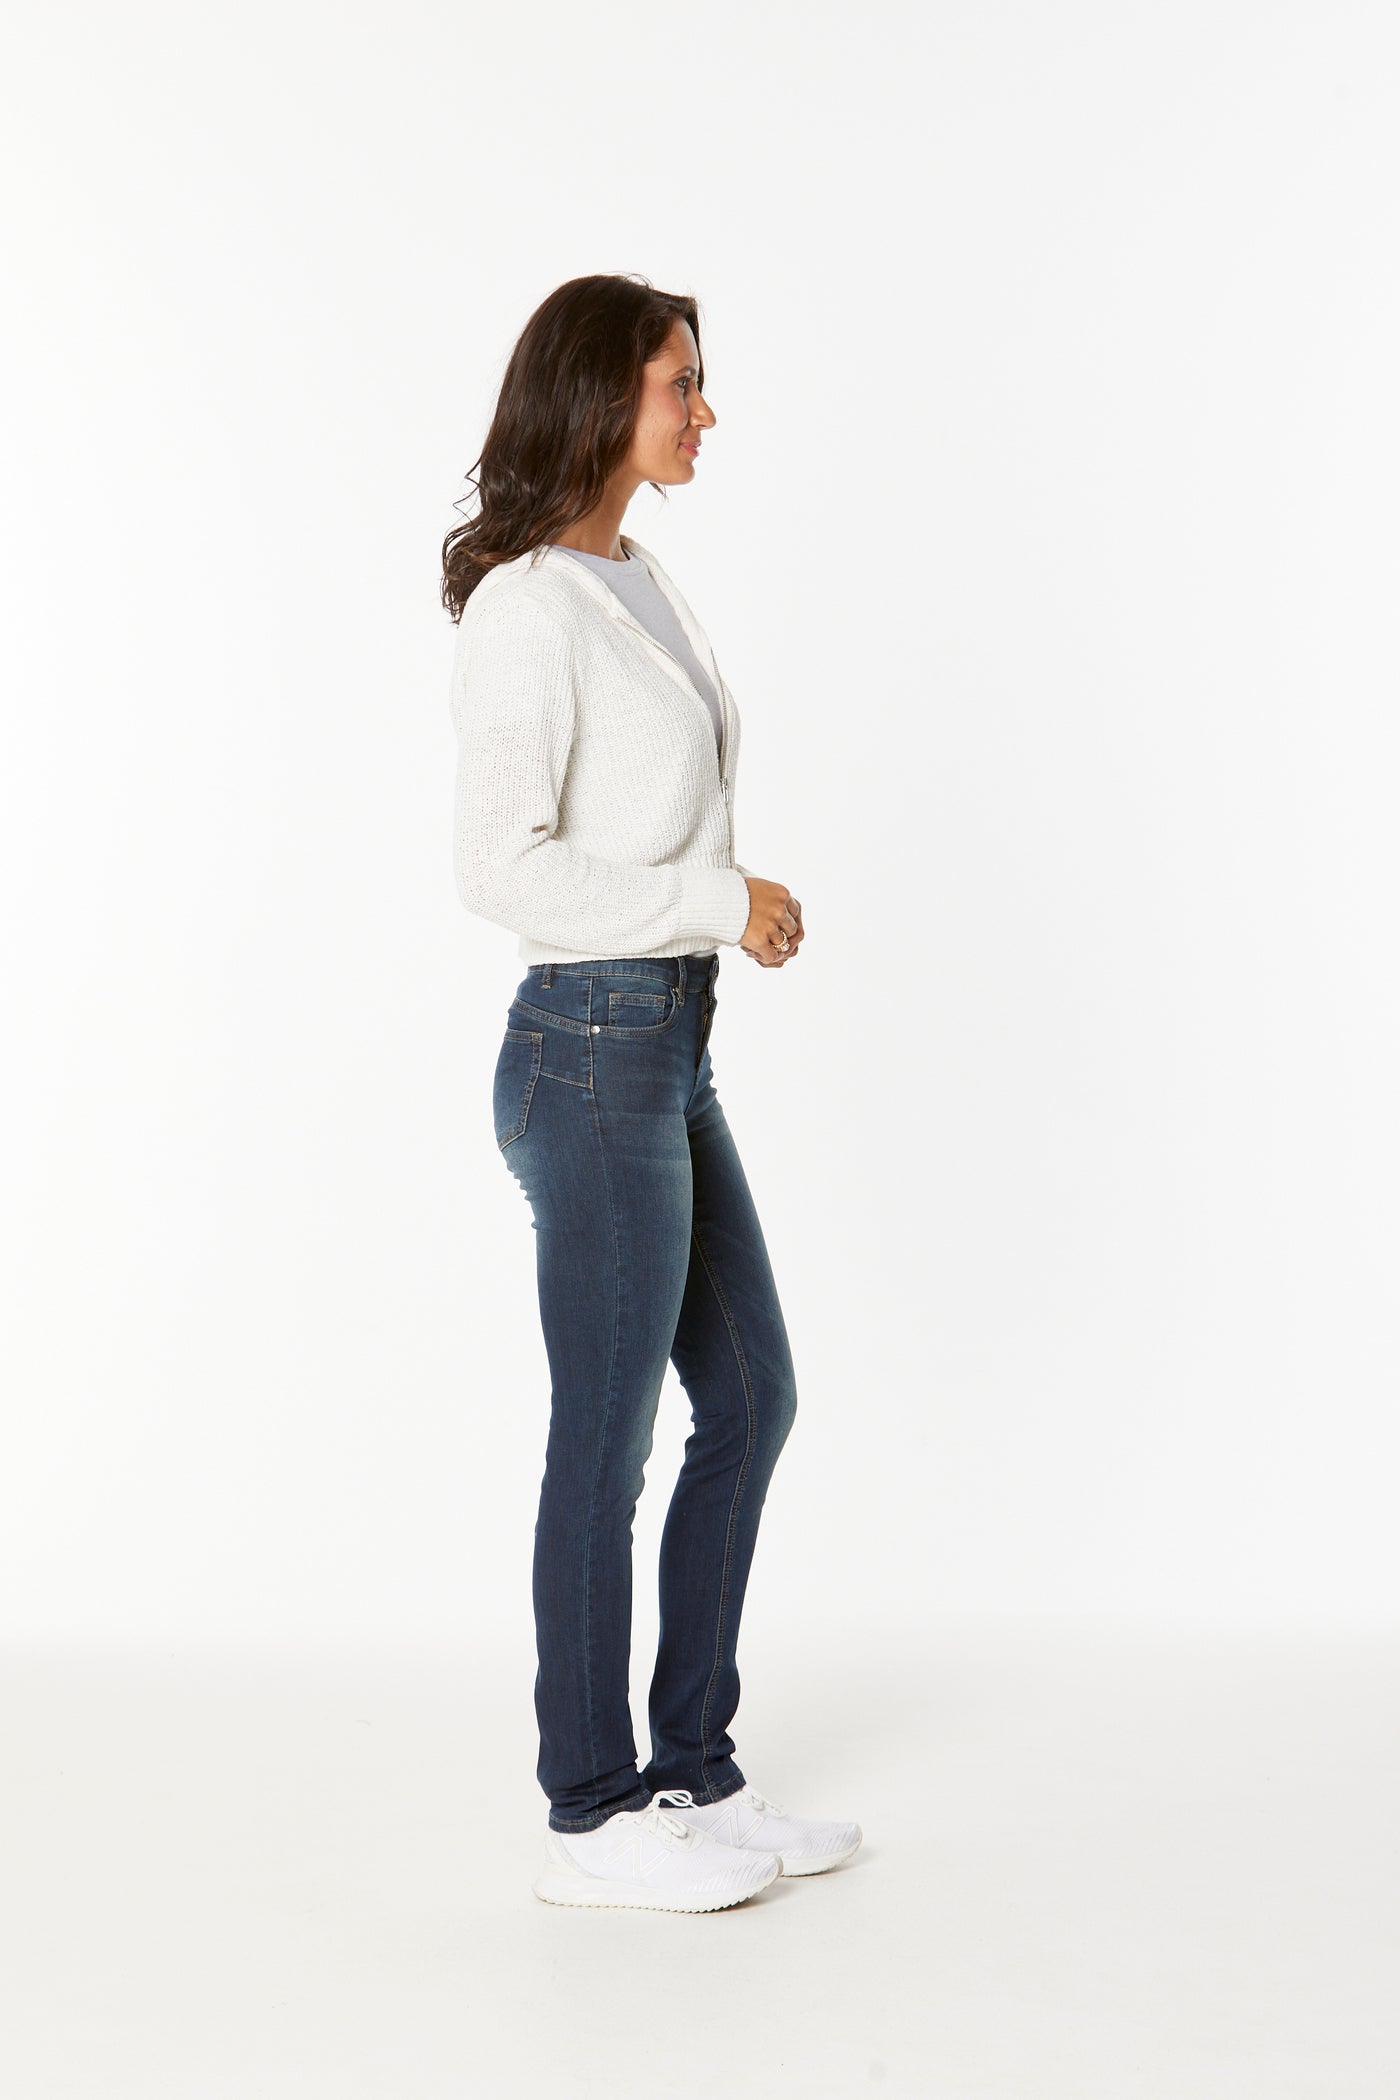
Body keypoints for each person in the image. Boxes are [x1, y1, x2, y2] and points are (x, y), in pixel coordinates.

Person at [442, 274, 862, 1912]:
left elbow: (647, 819)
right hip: (590, 1054)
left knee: (752, 1398)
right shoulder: (527, 609)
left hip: (667, 1051)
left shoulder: (639, 578)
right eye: (683, 382)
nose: (705, 410)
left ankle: (692, 1772)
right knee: (606, 1447)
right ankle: (588, 1813)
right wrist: (715, 900)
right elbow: (502, 868)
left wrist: (718, 910)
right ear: (600, 395)